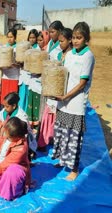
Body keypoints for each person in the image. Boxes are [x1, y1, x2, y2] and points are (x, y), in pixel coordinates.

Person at [51, 22, 95, 181]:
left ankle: (74, 169)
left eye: (79, 38)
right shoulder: (69, 54)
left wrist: (66, 96)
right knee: (62, 133)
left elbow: (82, 83)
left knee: (74, 137)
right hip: (63, 102)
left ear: (86, 38)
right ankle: (62, 160)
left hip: (75, 103)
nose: (76, 41)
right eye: (74, 38)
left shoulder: (88, 56)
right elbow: (63, 75)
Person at [38, 21, 65, 149]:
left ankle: (51, 138)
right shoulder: (50, 44)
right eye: (49, 32)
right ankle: (45, 138)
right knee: (47, 111)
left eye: (53, 32)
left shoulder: (62, 47)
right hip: (49, 80)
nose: (51, 34)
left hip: (56, 82)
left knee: (53, 112)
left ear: (60, 31)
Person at [0, 92, 37, 159]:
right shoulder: (5, 111)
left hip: (18, 138)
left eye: (7, 106)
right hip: (7, 134)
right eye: (4, 106)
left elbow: (22, 134)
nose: (4, 108)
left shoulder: (21, 116)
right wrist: (1, 124)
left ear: (14, 106)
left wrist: (5, 128)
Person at [0, 28, 20, 103]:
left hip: (14, 77)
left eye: (11, 37)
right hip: (5, 77)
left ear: (15, 37)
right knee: (5, 99)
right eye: (8, 37)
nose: (9, 39)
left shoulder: (18, 47)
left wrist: (14, 64)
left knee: (12, 100)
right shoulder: (4, 47)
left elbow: (20, 63)